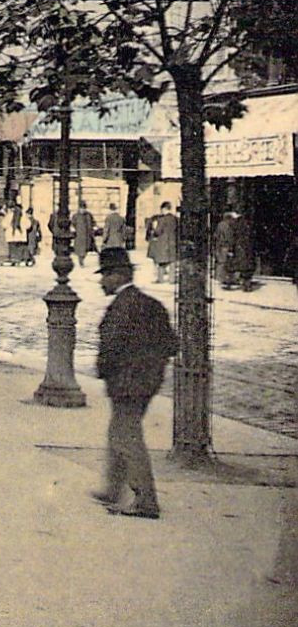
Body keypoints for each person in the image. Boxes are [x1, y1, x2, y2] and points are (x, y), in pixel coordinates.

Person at [91, 247, 176, 519]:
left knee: (126, 436)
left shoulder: (122, 307)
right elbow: (171, 343)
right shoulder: (149, 303)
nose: (102, 281)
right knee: (119, 431)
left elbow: (110, 348)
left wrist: (107, 370)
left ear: (118, 276)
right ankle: (113, 489)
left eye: (105, 275)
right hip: (145, 382)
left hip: (128, 384)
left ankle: (146, 500)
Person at [213, 208, 254, 291]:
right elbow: (229, 237)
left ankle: (224, 280)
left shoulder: (220, 225)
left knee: (223, 262)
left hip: (220, 246)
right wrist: (231, 247)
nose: (234, 220)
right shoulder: (227, 226)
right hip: (226, 246)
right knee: (226, 263)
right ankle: (226, 281)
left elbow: (216, 236)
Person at [147, 201, 179, 284]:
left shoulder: (162, 219)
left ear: (164, 209)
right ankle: (172, 279)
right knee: (172, 261)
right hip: (172, 241)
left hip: (163, 242)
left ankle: (160, 279)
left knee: (161, 261)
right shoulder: (175, 219)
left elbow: (158, 231)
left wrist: (153, 231)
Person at [72, 201, 98, 267]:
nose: (83, 210)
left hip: (88, 235)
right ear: (79, 208)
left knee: (86, 249)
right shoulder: (76, 216)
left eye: (84, 208)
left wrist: (94, 227)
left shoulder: (89, 215)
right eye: (81, 208)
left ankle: (82, 259)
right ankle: (81, 261)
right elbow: (73, 224)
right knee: (81, 250)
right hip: (79, 235)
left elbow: (93, 222)